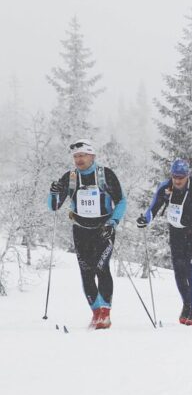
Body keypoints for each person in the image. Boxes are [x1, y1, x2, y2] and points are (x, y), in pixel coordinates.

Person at [47, 139, 127, 329]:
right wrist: (53, 193)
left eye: (82, 155)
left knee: (102, 267)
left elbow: (121, 201)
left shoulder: (105, 175)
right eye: (75, 156)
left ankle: (105, 313)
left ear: (92, 155)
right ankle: (96, 312)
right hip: (81, 230)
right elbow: (54, 206)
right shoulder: (70, 177)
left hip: (103, 229)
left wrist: (113, 222)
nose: (79, 160)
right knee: (86, 271)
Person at [136, 159, 192, 326]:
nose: (178, 180)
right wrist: (145, 219)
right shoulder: (165, 187)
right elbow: (153, 208)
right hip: (176, 234)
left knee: (190, 270)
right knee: (179, 270)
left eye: (181, 177)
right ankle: (186, 305)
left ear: (188, 175)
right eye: (175, 176)